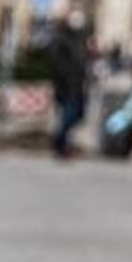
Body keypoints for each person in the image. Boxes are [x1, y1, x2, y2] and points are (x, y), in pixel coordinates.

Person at [49, 9, 92, 159]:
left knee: (79, 115)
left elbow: (82, 60)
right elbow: (56, 62)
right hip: (66, 86)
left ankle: (60, 141)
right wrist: (65, 78)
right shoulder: (61, 38)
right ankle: (60, 144)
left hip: (79, 84)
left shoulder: (79, 39)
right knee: (69, 115)